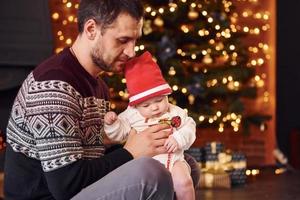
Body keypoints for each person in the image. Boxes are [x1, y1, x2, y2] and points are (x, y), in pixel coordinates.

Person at [4, 0, 199, 199]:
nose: (131, 52)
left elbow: (95, 153)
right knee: (151, 173)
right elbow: (66, 185)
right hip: (53, 196)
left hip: (78, 189)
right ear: (91, 29)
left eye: (134, 41)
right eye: (123, 40)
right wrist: (131, 151)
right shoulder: (54, 86)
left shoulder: (99, 86)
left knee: (184, 166)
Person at [104, 51, 196, 200]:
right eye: (146, 105)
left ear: (166, 95)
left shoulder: (175, 112)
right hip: (146, 167)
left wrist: (179, 138)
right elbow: (119, 134)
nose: (154, 108)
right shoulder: (131, 116)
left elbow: (189, 127)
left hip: (174, 161)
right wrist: (112, 124)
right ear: (136, 105)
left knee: (184, 182)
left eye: (159, 100)